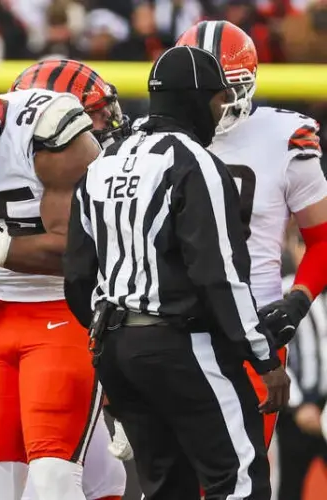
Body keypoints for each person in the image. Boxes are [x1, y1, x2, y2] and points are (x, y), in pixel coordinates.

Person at [64, 46, 290, 500]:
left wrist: (116, 340)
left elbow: (77, 279)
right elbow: (218, 274)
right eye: (216, 100)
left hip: (116, 349)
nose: (220, 111)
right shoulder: (194, 162)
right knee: (240, 481)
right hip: (180, 342)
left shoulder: (102, 165)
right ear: (194, 98)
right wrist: (264, 358)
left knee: (166, 489)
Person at [109, 19, 327, 463]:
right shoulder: (144, 141)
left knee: (238, 478)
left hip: (251, 331)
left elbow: (321, 238)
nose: (220, 102)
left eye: (231, 88)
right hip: (166, 331)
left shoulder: (283, 137)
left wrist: (299, 299)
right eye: (210, 89)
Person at [0, 59, 129, 500]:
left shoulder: (51, 137)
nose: (99, 131)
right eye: (90, 117)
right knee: (7, 484)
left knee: (73, 478)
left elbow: (72, 255)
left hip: (59, 317)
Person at [274, 228, 327, 500]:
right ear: (294, 248)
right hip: (294, 413)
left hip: (325, 406)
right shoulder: (282, 292)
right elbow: (273, 352)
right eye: (304, 246)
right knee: (289, 490)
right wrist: (298, 404)